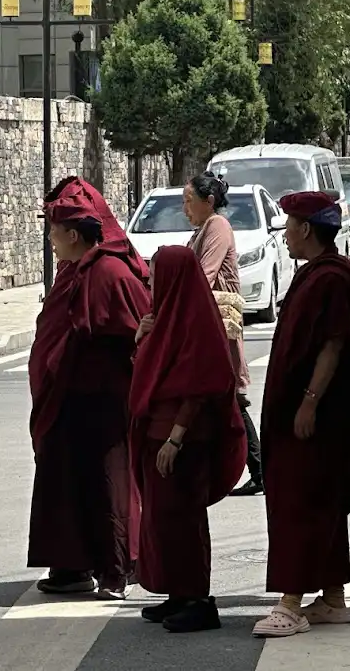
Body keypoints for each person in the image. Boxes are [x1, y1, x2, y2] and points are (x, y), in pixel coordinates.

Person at [254, 191, 350, 639]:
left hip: (317, 418)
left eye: (289, 226)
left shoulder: (331, 277)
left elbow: (333, 343)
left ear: (307, 229)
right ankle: (331, 597)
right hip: (309, 413)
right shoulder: (319, 273)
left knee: (300, 502)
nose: (284, 235)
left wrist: (309, 401)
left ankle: (290, 603)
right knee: (321, 503)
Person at [27, 176, 152, 600]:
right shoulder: (75, 271)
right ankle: (70, 566)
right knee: (63, 480)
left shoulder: (111, 272)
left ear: (75, 234)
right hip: (68, 400)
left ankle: (115, 570)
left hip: (103, 403)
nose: (51, 240)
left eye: (55, 232)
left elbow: (141, 332)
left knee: (106, 484)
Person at [131, 245, 247, 633]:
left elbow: (199, 386)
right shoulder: (164, 319)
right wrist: (142, 336)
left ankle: (197, 599)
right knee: (162, 521)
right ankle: (177, 593)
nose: (150, 283)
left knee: (184, 520)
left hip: (183, 443)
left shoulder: (195, 321)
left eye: (156, 277)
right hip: (156, 436)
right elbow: (149, 372)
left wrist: (175, 439)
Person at [139, 172, 262, 496]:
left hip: (215, 325)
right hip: (205, 321)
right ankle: (255, 466)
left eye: (188, 201)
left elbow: (202, 277)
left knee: (229, 394)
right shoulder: (200, 231)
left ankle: (257, 466)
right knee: (229, 397)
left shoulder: (217, 227)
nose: (185, 208)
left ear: (209, 202)